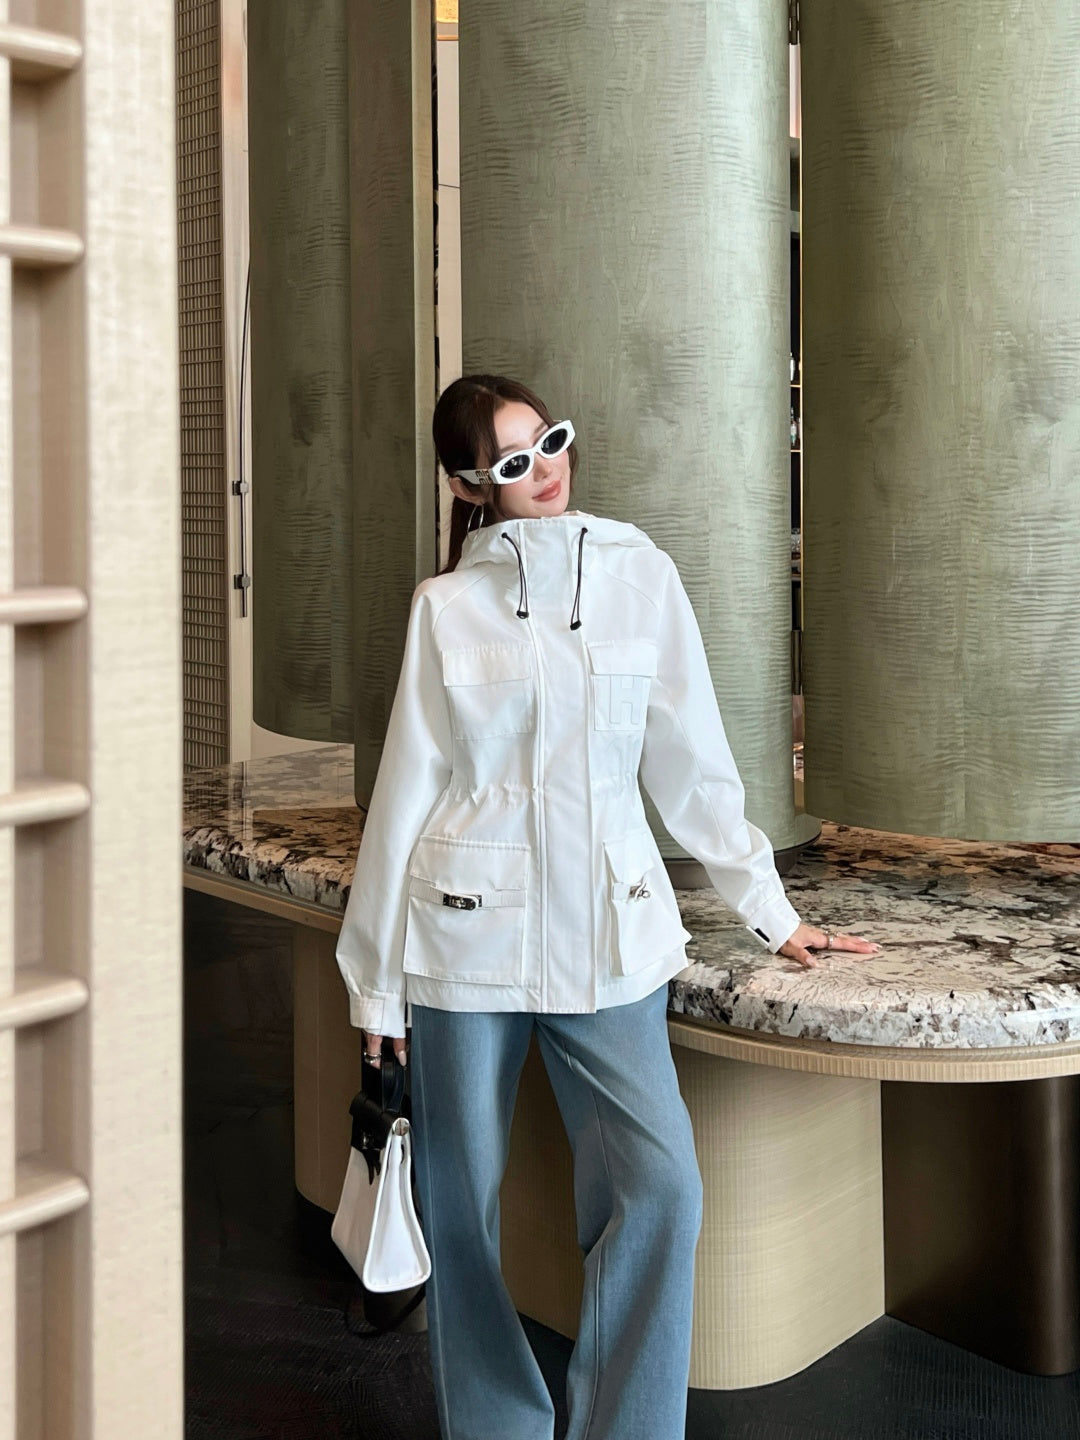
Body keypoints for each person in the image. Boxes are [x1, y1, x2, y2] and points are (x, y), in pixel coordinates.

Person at [335, 374, 879, 1440]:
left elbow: (693, 763)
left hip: (612, 934)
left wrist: (771, 910)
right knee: (459, 1206)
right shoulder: (444, 608)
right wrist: (375, 986)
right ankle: (495, 1424)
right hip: (465, 938)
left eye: (550, 443)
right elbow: (406, 795)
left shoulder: (641, 574)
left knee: (663, 1187)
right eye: (511, 461)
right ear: (468, 485)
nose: (543, 470)